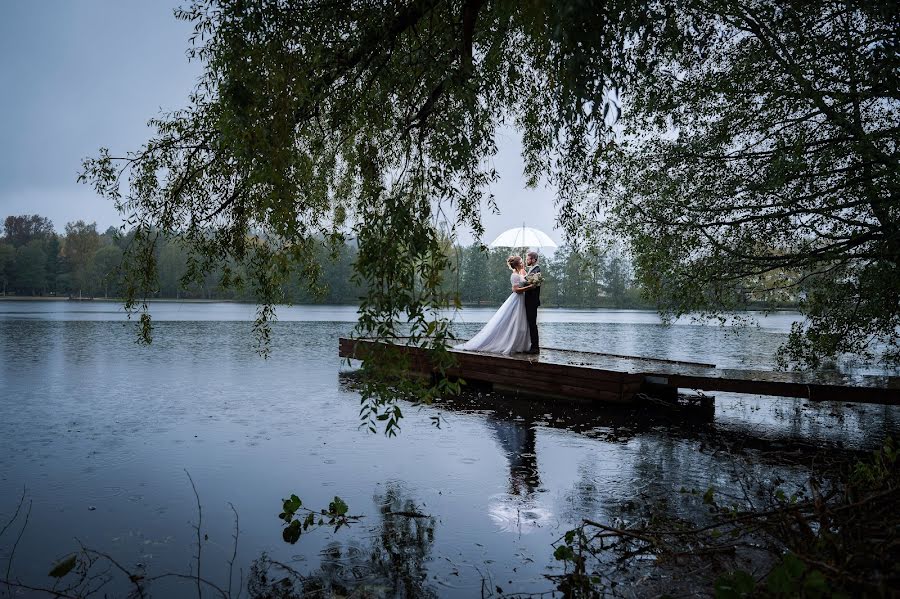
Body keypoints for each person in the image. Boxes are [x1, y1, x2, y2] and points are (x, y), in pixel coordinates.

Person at [455, 255, 533, 355]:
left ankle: (519, 344)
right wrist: (529, 287)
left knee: (521, 323)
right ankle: (509, 343)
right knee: (514, 321)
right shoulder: (514, 275)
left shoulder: (520, 273)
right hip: (517, 300)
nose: (523, 263)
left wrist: (530, 280)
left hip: (522, 300)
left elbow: (525, 278)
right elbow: (516, 290)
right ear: (517, 264)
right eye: (521, 262)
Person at [523, 251, 541, 353]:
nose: (527, 260)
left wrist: (524, 285)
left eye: (528, 259)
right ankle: (531, 345)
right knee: (530, 323)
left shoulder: (537, 270)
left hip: (532, 302)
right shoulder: (532, 270)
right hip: (529, 301)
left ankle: (535, 347)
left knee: (532, 324)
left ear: (534, 260)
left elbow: (533, 286)